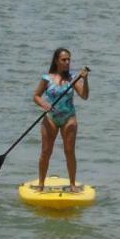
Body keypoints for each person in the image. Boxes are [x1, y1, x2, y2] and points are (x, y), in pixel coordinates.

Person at [32, 48, 89, 191]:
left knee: (69, 151)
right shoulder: (47, 78)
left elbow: (84, 95)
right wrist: (44, 104)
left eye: (69, 59)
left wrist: (85, 79)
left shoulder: (73, 78)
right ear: (57, 61)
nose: (67, 62)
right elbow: (36, 96)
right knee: (46, 152)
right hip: (50, 118)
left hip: (68, 118)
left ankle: (72, 184)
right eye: (64, 60)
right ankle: (41, 184)